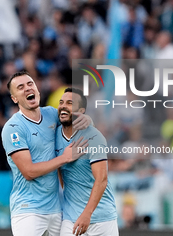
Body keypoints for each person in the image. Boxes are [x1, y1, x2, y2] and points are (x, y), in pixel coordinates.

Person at [1, 71, 90, 236]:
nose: (27, 89)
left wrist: (86, 119)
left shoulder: (51, 114)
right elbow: (29, 172)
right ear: (14, 99)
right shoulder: (13, 128)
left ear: (37, 89)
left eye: (30, 84)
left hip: (56, 209)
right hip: (28, 210)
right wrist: (64, 158)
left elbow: (74, 118)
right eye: (20, 87)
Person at [55, 87, 118, 236]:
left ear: (81, 111)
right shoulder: (54, 136)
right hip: (70, 219)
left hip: (102, 220)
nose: (63, 106)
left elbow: (101, 179)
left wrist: (86, 214)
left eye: (70, 103)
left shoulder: (94, 137)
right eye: (61, 102)